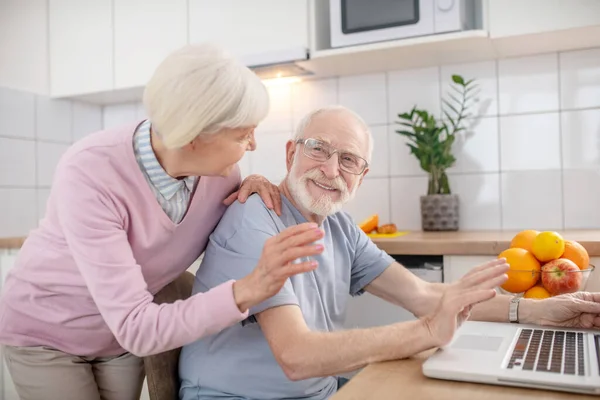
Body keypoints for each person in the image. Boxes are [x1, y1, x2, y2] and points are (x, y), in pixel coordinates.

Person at [178, 105, 600, 400]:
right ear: (291, 152)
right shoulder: (255, 218)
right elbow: (296, 356)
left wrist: (539, 311)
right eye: (318, 149)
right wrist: (425, 333)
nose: (330, 169)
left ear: (362, 176)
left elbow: (424, 296)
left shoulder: (339, 227)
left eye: (348, 160)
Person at [0, 43, 325, 400]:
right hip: (45, 333)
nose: (252, 146)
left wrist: (258, 192)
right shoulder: (90, 172)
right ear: (194, 136)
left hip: (118, 338)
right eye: (242, 134)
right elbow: (137, 328)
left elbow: (231, 244)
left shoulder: (223, 177)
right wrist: (246, 290)